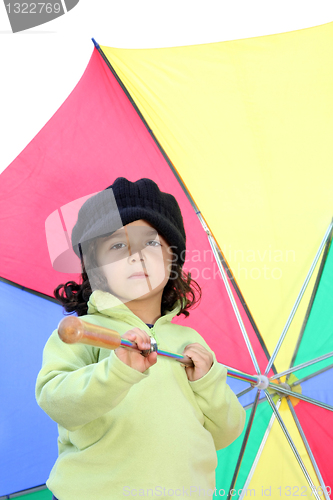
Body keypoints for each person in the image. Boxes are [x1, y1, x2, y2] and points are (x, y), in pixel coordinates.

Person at [35, 177, 245, 500]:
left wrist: (208, 383)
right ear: (95, 266)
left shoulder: (190, 341)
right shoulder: (87, 333)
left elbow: (226, 430)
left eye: (151, 243)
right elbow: (56, 400)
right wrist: (116, 371)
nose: (136, 255)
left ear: (172, 259)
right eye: (118, 245)